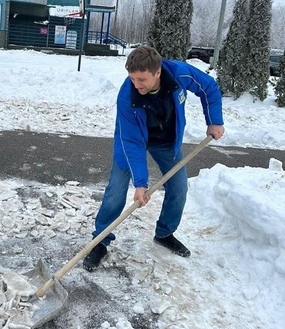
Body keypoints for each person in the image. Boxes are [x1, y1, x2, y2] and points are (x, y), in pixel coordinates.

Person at [83, 46, 224, 270]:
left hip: (167, 141)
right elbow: (132, 143)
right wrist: (141, 183)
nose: (136, 84)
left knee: (179, 188)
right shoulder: (127, 96)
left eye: (141, 79)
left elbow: (209, 88)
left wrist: (214, 120)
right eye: (132, 78)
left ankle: (165, 233)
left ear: (157, 72)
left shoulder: (179, 73)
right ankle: (100, 241)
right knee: (116, 191)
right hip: (133, 140)